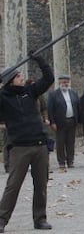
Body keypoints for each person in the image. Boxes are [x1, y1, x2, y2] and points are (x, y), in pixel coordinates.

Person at [0, 53, 54, 232]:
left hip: (40, 146)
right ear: (9, 81)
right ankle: (1, 219)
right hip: (19, 148)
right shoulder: (2, 98)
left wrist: (39, 59)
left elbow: (49, 78)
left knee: (41, 184)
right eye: (18, 76)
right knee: (13, 185)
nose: (21, 77)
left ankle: (40, 219)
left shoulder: (30, 91)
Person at [47, 74, 79, 171]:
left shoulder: (73, 93)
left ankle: (70, 161)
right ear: (59, 83)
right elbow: (50, 109)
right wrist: (52, 122)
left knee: (71, 142)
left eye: (67, 82)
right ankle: (61, 162)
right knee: (60, 143)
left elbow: (78, 107)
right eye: (63, 82)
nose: (65, 84)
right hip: (60, 123)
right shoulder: (53, 94)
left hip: (71, 121)